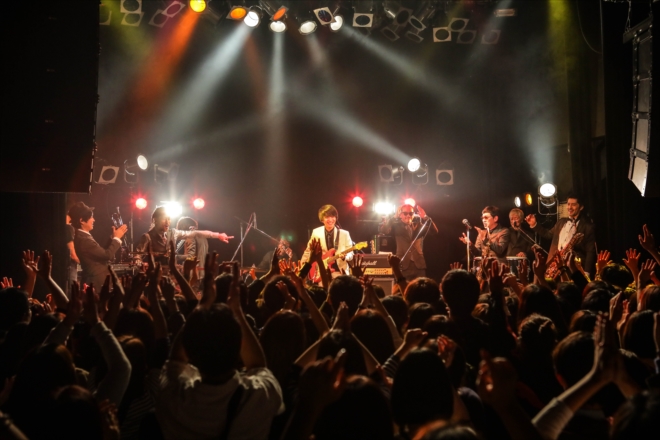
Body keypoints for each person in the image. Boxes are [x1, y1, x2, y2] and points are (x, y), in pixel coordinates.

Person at [524, 193, 596, 276]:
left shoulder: (588, 226)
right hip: (557, 265)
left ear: (581, 207)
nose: (569, 207)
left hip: (574, 267)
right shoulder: (561, 222)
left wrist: (586, 272)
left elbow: (590, 251)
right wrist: (534, 224)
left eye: (573, 205)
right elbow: (548, 234)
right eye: (568, 204)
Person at [136, 206, 232, 265]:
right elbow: (137, 255)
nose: (167, 222)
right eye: (164, 219)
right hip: (156, 274)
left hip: (172, 274)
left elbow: (195, 233)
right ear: (155, 219)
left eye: (169, 219)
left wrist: (217, 235)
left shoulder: (173, 233)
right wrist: (138, 262)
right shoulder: (147, 237)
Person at [70, 202, 127, 290]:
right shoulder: (83, 239)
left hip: (98, 282)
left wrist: (112, 238)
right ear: (82, 221)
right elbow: (107, 255)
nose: (94, 220)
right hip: (97, 283)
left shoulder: (83, 236)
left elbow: (100, 253)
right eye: (91, 217)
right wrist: (117, 238)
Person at [379, 204, 438, 281]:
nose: (408, 215)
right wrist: (394, 217)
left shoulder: (418, 225)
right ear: (400, 214)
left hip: (418, 265)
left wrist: (425, 217)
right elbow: (383, 230)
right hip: (403, 264)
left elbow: (434, 231)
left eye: (411, 213)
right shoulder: (395, 226)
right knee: (404, 287)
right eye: (405, 213)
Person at [301, 205, 354, 278]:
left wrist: (345, 257)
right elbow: (308, 251)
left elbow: (351, 253)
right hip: (322, 272)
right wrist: (302, 266)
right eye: (327, 217)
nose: (330, 220)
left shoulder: (344, 234)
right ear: (322, 219)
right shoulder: (316, 232)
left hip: (340, 272)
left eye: (333, 217)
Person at [65, 213, 80, 296]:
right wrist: (82, 262)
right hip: (70, 266)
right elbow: (72, 254)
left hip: (63, 266)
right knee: (72, 292)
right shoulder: (68, 228)